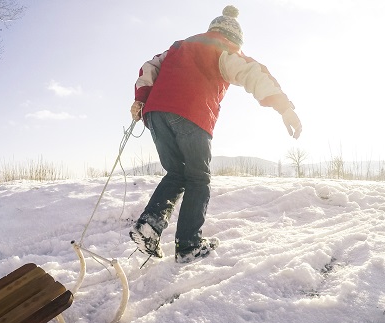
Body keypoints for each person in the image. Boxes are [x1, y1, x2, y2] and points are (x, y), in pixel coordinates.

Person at [129, 5, 302, 264]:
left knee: (176, 173)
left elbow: (149, 66)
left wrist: (141, 99)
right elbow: (253, 73)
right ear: (234, 38)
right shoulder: (224, 49)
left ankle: (149, 227)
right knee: (199, 178)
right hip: (191, 113)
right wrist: (284, 107)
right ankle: (189, 244)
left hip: (155, 112)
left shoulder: (180, 45)